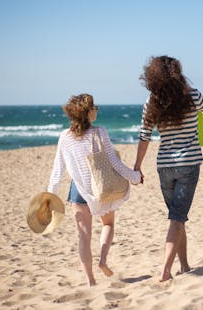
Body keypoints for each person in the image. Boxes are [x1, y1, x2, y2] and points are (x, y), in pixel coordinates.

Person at [134, 56, 203, 282]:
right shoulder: (192, 94)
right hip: (188, 164)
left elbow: (144, 136)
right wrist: (192, 95)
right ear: (178, 73)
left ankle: (184, 265)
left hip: (164, 166)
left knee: (177, 218)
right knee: (177, 219)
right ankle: (165, 270)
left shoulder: (152, 102)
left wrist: (137, 166)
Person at [48, 94, 141, 286]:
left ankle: (90, 281)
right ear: (88, 112)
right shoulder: (99, 132)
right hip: (101, 189)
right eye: (94, 107)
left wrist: (50, 193)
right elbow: (114, 163)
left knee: (83, 236)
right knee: (108, 225)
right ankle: (103, 260)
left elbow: (58, 168)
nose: (96, 110)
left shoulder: (64, 137)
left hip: (78, 191)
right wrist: (135, 177)